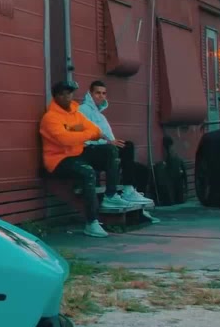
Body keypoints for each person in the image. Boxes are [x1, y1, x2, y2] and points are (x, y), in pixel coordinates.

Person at [41, 80, 133, 238]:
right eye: (63, 94)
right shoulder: (50, 117)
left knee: (110, 150)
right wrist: (85, 134)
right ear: (56, 97)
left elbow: (95, 130)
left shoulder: (76, 113)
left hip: (77, 153)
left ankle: (110, 196)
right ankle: (92, 222)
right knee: (88, 172)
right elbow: (65, 139)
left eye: (70, 93)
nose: (67, 97)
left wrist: (79, 132)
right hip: (58, 160)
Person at [80, 80, 157, 219]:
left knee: (128, 146)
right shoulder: (83, 110)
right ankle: (110, 195)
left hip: (104, 148)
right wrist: (108, 142)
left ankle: (128, 189)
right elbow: (85, 136)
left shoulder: (100, 115)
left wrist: (113, 143)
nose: (101, 96)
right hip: (88, 150)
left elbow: (109, 137)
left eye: (104, 93)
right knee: (112, 150)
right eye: (97, 93)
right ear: (90, 94)